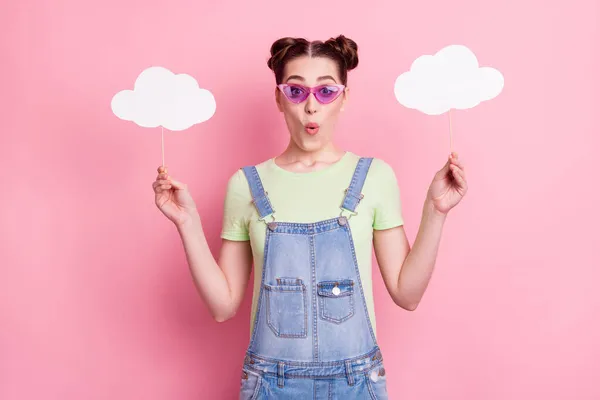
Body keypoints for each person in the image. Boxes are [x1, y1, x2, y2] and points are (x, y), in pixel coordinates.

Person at [152, 35, 468, 399]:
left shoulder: (374, 177)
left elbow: (407, 294)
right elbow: (223, 307)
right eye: (296, 92)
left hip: (356, 384)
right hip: (271, 384)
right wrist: (187, 222)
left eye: (326, 92)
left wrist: (435, 211)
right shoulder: (246, 186)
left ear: (344, 98)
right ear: (278, 98)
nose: (311, 107)